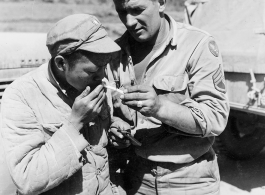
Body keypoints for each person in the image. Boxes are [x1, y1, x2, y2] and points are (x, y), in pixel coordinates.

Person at [107, 0, 230, 194]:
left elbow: (216, 119)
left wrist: (159, 108)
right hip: (136, 178)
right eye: (122, 12)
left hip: (189, 180)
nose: (129, 21)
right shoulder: (113, 53)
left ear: (161, 3)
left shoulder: (196, 45)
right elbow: (108, 113)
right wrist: (114, 127)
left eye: (137, 10)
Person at [0, 14, 121, 195]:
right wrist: (74, 124)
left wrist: (115, 129)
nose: (103, 76)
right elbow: (27, 180)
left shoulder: (96, 81)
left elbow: (101, 147)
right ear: (61, 63)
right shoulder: (21, 95)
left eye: (105, 66)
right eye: (93, 71)